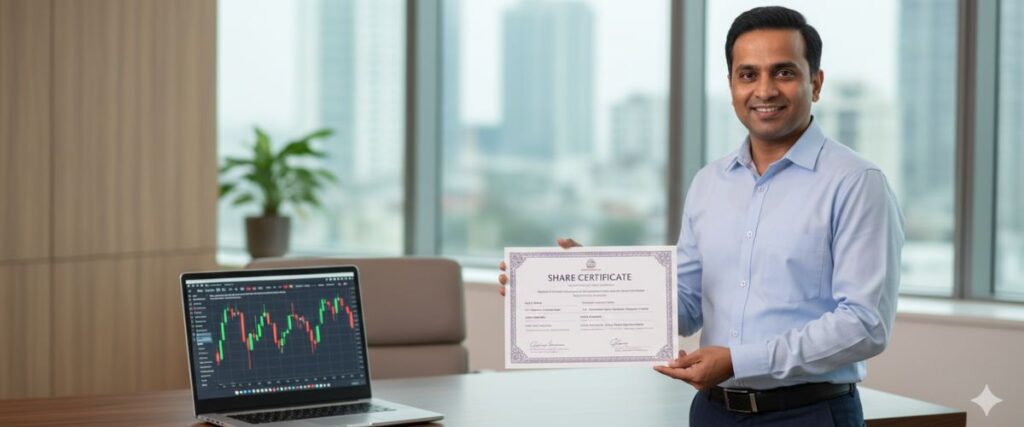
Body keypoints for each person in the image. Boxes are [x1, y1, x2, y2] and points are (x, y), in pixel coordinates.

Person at [498, 6, 904, 426]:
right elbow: (687, 305)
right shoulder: (710, 183)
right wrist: (586, 283)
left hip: (808, 414)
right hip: (713, 413)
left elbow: (864, 324)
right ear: (731, 85)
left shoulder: (857, 183)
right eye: (748, 74)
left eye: (783, 72)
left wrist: (738, 361)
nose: (764, 90)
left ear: (815, 83)